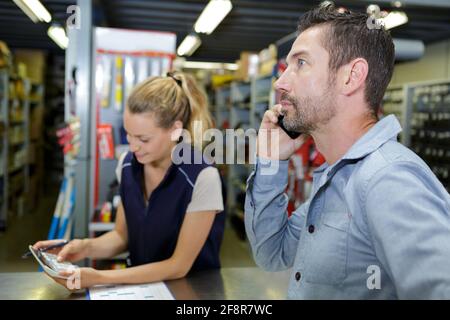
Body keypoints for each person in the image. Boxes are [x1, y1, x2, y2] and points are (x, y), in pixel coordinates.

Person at [245, 3, 450, 299]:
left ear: (351, 77)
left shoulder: (387, 180)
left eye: (301, 63)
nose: (281, 82)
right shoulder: (339, 176)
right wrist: (270, 162)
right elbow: (271, 253)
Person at [34, 71, 226, 289]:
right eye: (128, 134)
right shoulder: (127, 165)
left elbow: (178, 266)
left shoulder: (202, 176)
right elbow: (121, 236)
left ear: (175, 130)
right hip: (143, 289)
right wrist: (82, 247)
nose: (133, 146)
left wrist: (99, 278)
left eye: (144, 139)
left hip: (194, 293)